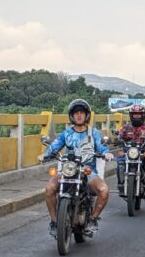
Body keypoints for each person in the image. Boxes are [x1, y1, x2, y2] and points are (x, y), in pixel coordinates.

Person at [39, 99, 114, 238]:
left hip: (87, 170)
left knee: (103, 190)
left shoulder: (94, 133)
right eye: (76, 113)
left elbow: (101, 146)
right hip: (68, 169)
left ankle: (93, 220)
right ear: (71, 116)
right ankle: (54, 222)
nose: (79, 115)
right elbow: (54, 146)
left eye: (82, 113)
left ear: (86, 115)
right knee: (49, 188)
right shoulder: (66, 133)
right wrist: (45, 155)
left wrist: (106, 153)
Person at [116, 103, 145, 197]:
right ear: (131, 115)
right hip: (128, 151)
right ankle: (121, 185)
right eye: (134, 114)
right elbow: (119, 136)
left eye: (139, 114)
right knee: (120, 163)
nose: (136, 116)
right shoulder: (126, 127)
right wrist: (116, 140)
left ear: (143, 115)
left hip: (143, 150)